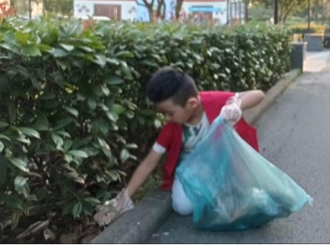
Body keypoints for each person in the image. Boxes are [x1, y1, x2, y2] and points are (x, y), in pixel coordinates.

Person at [94, 66, 265, 224]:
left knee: (251, 196)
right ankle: (216, 191)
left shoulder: (214, 101)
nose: (167, 119)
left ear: (192, 104)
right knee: (182, 206)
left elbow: (258, 94)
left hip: (223, 161)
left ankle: (220, 190)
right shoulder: (172, 127)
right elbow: (149, 162)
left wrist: (236, 104)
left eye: (170, 113)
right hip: (192, 168)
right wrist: (124, 198)